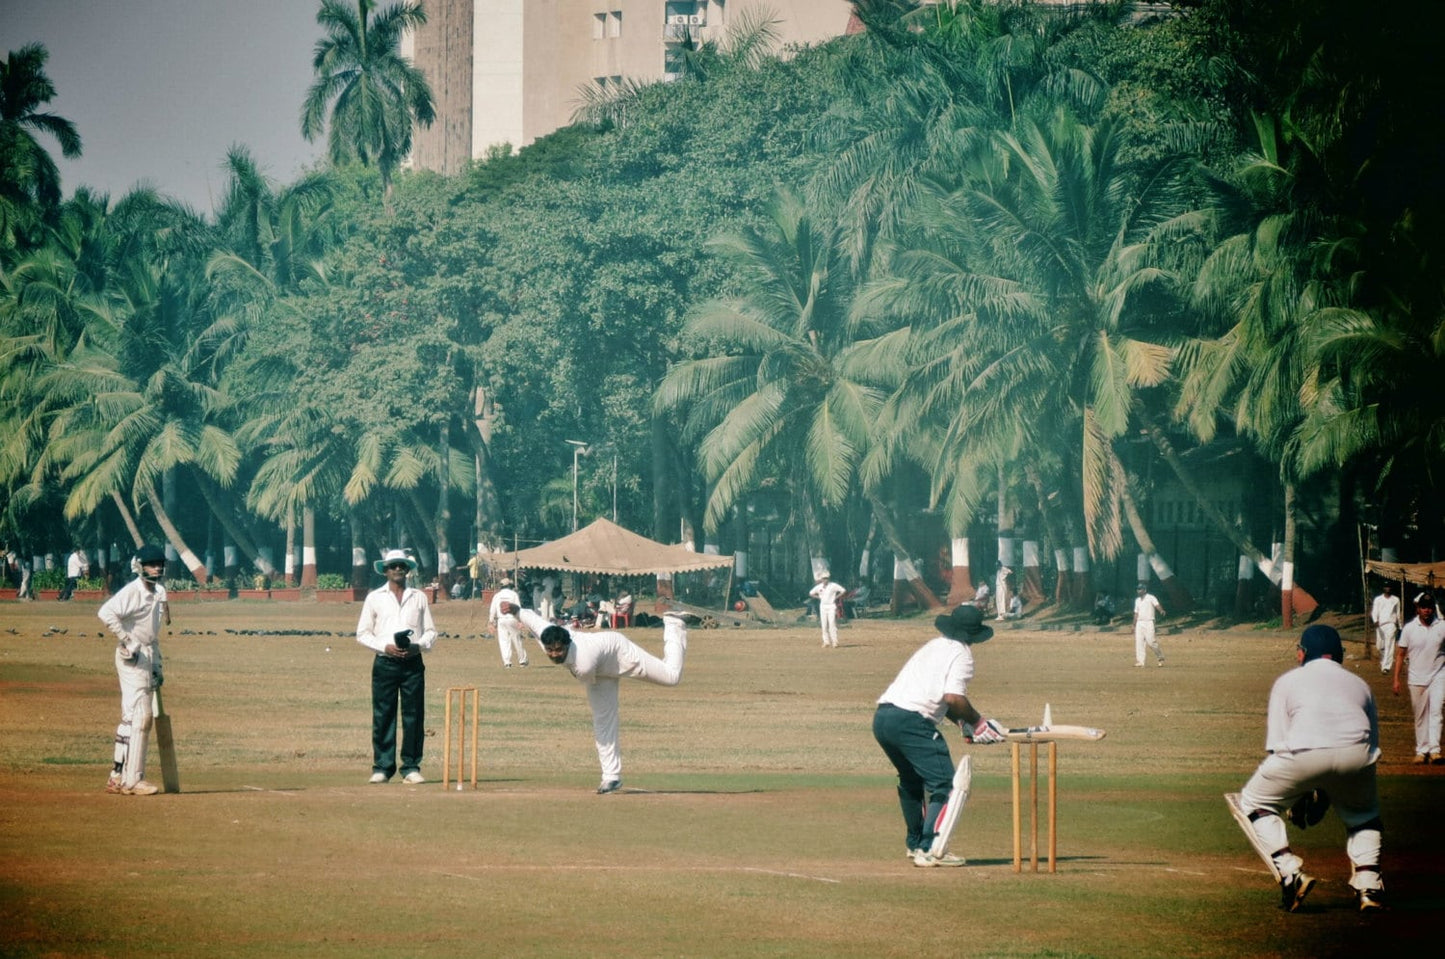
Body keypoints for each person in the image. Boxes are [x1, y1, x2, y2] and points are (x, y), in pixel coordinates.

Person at [1234, 624, 1384, 912]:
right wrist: (1329, 787)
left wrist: (1301, 790)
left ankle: (1290, 872)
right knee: (1363, 816)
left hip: (1302, 755)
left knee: (1253, 801)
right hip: (1358, 755)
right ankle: (1370, 887)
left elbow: (1277, 744)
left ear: (1302, 653)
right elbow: (1372, 745)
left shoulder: (1288, 681)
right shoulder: (1360, 684)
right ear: (1340, 654)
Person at [873, 604, 1006, 867]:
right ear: (974, 635)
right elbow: (953, 697)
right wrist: (978, 723)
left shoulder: (933, 646)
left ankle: (915, 844)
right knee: (944, 783)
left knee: (911, 781)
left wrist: (963, 725)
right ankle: (930, 846)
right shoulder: (963, 655)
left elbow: (939, 697)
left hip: (883, 718)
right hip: (911, 722)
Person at [517, 606, 687, 794]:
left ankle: (673, 622)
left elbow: (583, 675)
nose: (554, 654)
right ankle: (611, 777)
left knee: (671, 677)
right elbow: (531, 619)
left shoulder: (583, 664)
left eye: (558, 650)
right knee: (603, 721)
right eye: (550, 650)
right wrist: (514, 610)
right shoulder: (546, 636)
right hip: (600, 670)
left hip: (618, 653)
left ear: (567, 644)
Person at [356, 548, 437, 784]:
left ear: (408, 569)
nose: (398, 569)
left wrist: (417, 646)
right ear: (385, 570)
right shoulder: (374, 597)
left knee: (413, 716)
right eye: (393, 566)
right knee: (383, 715)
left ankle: (411, 766)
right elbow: (362, 634)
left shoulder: (418, 596)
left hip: (412, 663)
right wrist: (385, 647)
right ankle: (382, 766)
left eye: (402, 565)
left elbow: (431, 631)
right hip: (385, 663)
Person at [96, 544, 169, 796]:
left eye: (160, 563)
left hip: (147, 656)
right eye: (151, 563)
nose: (157, 567)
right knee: (142, 716)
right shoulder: (133, 591)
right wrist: (128, 641)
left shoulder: (158, 592)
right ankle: (133, 780)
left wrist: (157, 664)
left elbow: (152, 633)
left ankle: (117, 776)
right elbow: (106, 613)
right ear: (139, 566)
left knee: (131, 718)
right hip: (131, 657)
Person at [1391, 593, 1445, 764]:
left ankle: (1435, 750)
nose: (1427, 610)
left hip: (1439, 675)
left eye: (1429, 607)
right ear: (1418, 608)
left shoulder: (1442, 626)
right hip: (1416, 677)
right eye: (1423, 607)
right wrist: (1396, 679)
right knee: (1421, 715)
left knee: (1436, 711)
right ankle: (1422, 751)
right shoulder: (1409, 628)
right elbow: (1400, 654)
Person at [487, 576, 528, 668]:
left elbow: (492, 610)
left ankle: (507, 662)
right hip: (512, 618)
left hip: (501, 620)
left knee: (504, 641)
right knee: (517, 640)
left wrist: (491, 621)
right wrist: (520, 620)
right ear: (509, 585)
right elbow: (518, 608)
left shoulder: (497, 595)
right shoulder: (513, 594)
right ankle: (522, 660)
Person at [1370, 582, 1402, 675]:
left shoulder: (1396, 599)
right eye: (1386, 587)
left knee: (1389, 645)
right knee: (1380, 646)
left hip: (1391, 624)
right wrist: (1375, 620)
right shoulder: (1378, 599)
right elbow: (1374, 611)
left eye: (1389, 587)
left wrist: (1400, 625)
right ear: (1383, 588)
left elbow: (1398, 613)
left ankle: (1386, 667)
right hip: (1380, 624)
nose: (1387, 588)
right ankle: (1383, 662)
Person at [809, 572, 847, 648]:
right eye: (823, 578)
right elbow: (811, 593)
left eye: (826, 578)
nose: (825, 580)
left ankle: (835, 642)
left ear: (828, 579)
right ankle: (826, 642)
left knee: (832, 623)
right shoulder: (819, 587)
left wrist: (836, 597)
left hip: (831, 606)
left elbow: (843, 590)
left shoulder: (833, 585)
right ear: (821, 579)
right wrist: (819, 597)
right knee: (824, 624)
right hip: (823, 606)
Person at [1132, 582, 1166, 667]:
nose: (1138, 591)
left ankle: (1160, 657)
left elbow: (1157, 605)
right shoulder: (1137, 600)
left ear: (1145, 590)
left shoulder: (1151, 597)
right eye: (1137, 589)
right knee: (1139, 643)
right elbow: (1136, 613)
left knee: (1151, 642)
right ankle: (1140, 661)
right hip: (1140, 623)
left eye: (1140, 589)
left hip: (1149, 622)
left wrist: (1161, 610)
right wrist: (1134, 625)